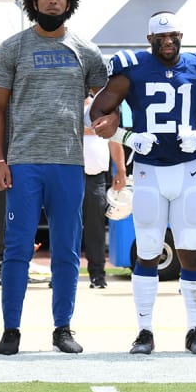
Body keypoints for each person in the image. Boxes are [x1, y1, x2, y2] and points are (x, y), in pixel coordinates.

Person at [91, 12, 196, 355]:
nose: (168, 43)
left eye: (173, 37)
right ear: (149, 38)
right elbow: (95, 115)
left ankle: (195, 330)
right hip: (149, 170)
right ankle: (144, 331)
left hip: (190, 171)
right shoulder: (132, 68)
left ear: (182, 35)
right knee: (148, 251)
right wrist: (127, 135)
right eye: (160, 38)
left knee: (192, 251)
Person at [0, 0, 107, 355]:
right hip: (23, 162)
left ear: (70, 2)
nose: (52, 1)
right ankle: (11, 329)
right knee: (18, 248)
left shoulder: (86, 50)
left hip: (69, 163)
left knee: (67, 249)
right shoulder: (13, 48)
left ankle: (63, 327)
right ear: (33, 1)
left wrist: (112, 122)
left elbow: (106, 102)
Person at [81, 96, 126, 289]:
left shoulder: (103, 107)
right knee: (64, 227)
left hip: (95, 177)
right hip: (69, 175)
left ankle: (98, 275)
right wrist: (93, 129)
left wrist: (121, 170)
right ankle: (60, 274)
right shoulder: (67, 101)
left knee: (96, 229)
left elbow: (114, 140)